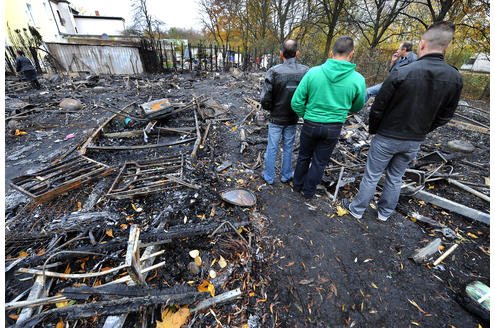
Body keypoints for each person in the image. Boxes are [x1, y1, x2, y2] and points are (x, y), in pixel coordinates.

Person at [343, 22, 463, 221]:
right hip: (414, 139)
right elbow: (445, 115)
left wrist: (375, 130)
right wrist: (423, 129)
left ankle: (357, 209)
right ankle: (384, 213)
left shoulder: (403, 72)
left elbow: (378, 106)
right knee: (396, 177)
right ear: (447, 46)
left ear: (422, 44)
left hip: (388, 135)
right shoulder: (454, 78)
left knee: (372, 175)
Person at [291, 36, 366, 199]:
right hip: (333, 127)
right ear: (351, 54)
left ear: (332, 53)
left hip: (310, 123)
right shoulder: (358, 80)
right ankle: (308, 192)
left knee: (304, 156)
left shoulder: (313, 73)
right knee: (319, 162)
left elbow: (296, 101)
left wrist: (307, 115)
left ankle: (297, 186)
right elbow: (358, 106)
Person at [260, 40, 309, 184]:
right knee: (288, 147)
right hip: (293, 117)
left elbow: (265, 98)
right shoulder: (305, 71)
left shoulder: (274, 71)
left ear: (281, 54)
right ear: (297, 53)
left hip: (276, 117)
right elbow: (308, 94)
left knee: (272, 147)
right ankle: (286, 175)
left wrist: (271, 109)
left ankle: (269, 176)